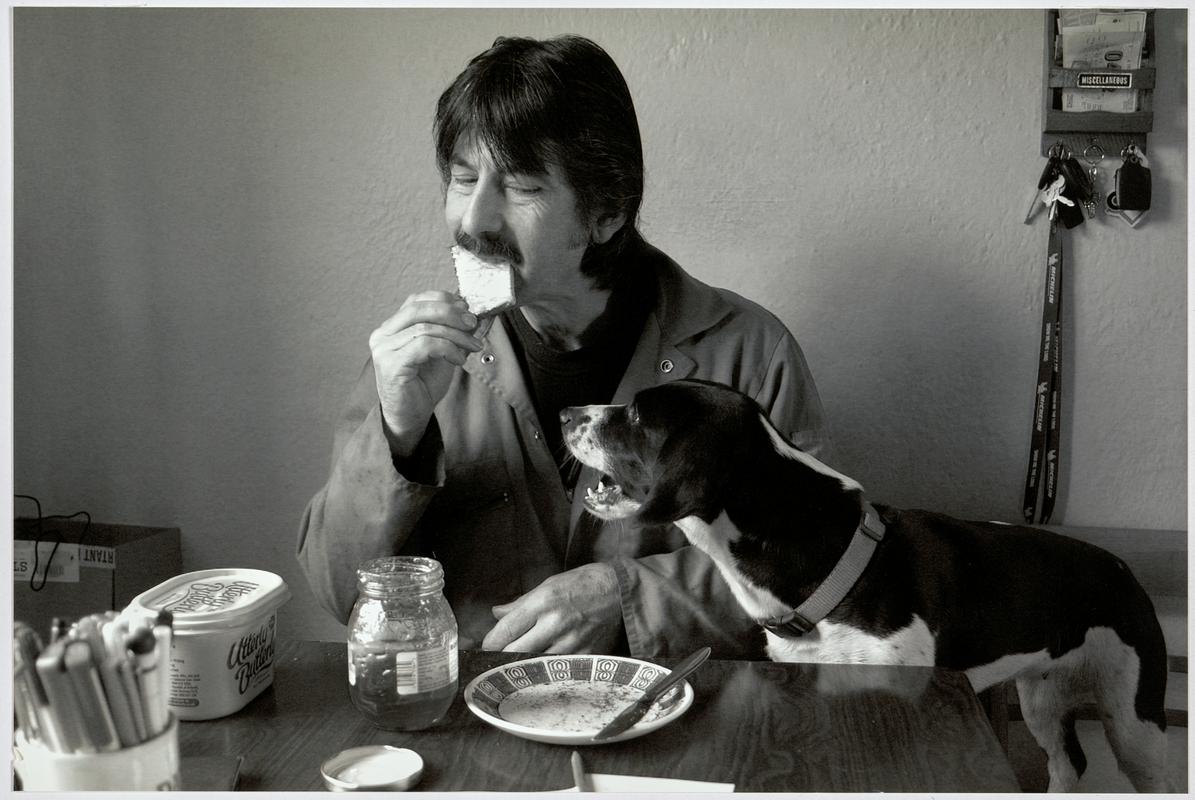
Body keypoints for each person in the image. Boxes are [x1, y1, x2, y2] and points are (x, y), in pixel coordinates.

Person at [297, 34, 832, 659]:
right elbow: (340, 595)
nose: (473, 221)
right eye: (463, 179)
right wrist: (396, 433)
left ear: (605, 212)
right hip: (473, 725)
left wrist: (626, 595)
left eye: (521, 188)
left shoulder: (750, 354)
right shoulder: (414, 365)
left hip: (677, 723)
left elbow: (809, 566)